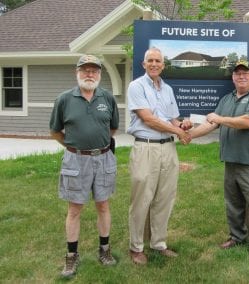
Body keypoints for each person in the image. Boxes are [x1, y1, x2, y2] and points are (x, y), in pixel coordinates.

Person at [189, 60, 249, 261]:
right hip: (231, 162)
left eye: (245, 73)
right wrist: (189, 135)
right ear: (233, 77)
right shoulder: (227, 99)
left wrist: (219, 118)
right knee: (233, 204)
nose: (241, 76)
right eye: (237, 73)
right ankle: (237, 237)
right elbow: (210, 124)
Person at [49, 54, 119, 277]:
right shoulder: (64, 99)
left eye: (94, 70)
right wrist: (74, 147)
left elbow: (113, 129)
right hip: (75, 160)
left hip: (104, 158)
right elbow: (55, 131)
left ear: (100, 74)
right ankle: (71, 256)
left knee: (103, 205)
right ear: (77, 72)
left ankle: (104, 250)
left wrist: (96, 147)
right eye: (85, 70)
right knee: (75, 209)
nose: (90, 74)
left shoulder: (107, 98)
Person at [127, 47, 192, 265]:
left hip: (168, 148)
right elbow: (149, 119)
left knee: (165, 197)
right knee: (142, 199)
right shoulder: (136, 86)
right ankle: (136, 247)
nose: (154, 64)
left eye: (158, 61)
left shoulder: (168, 89)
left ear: (163, 65)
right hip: (146, 148)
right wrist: (178, 131)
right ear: (143, 64)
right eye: (150, 60)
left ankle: (158, 243)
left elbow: (173, 120)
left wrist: (183, 125)